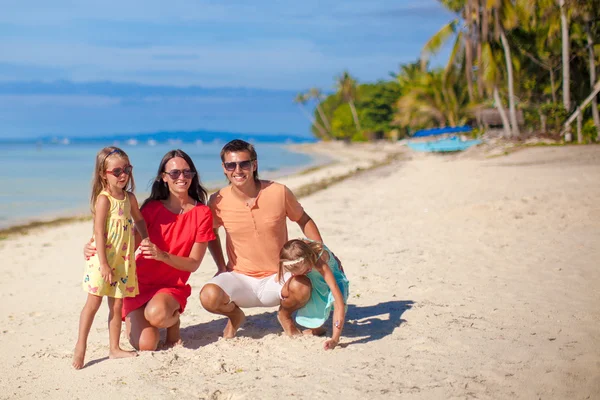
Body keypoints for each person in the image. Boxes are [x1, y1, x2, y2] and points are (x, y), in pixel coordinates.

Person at [84, 149, 215, 352]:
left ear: (193, 175)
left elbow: (194, 263)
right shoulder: (151, 208)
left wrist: (161, 255)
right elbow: (125, 242)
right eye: (174, 173)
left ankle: (172, 322)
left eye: (187, 172)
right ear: (164, 177)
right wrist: (92, 247)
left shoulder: (202, 213)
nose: (181, 177)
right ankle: (146, 319)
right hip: (137, 284)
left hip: (170, 287)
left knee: (157, 314)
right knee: (147, 345)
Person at [200, 139, 325, 338]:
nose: (238, 170)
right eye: (231, 165)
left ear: (254, 165)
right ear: (224, 168)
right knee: (208, 296)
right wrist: (221, 266)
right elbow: (211, 233)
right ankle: (235, 317)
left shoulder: (278, 192)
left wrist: (320, 249)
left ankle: (285, 315)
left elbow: (303, 219)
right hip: (240, 278)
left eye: (244, 164)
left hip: (279, 276)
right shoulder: (217, 201)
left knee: (302, 287)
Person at [73, 146, 149, 369]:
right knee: (93, 304)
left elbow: (140, 220)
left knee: (116, 307)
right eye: (117, 171)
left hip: (122, 260)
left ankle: (114, 348)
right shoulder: (104, 199)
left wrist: (145, 238)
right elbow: (98, 232)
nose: (123, 174)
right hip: (102, 260)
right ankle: (80, 347)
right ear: (102, 174)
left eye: (126, 169)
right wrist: (104, 264)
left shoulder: (129, 198)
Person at [278, 239, 349, 350]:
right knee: (314, 308)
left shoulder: (319, 262)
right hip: (315, 279)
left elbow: (339, 304)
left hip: (333, 280)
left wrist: (334, 339)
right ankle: (317, 328)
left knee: (336, 302)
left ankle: (333, 335)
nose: (300, 274)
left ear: (309, 259)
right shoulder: (295, 253)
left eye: (305, 271)